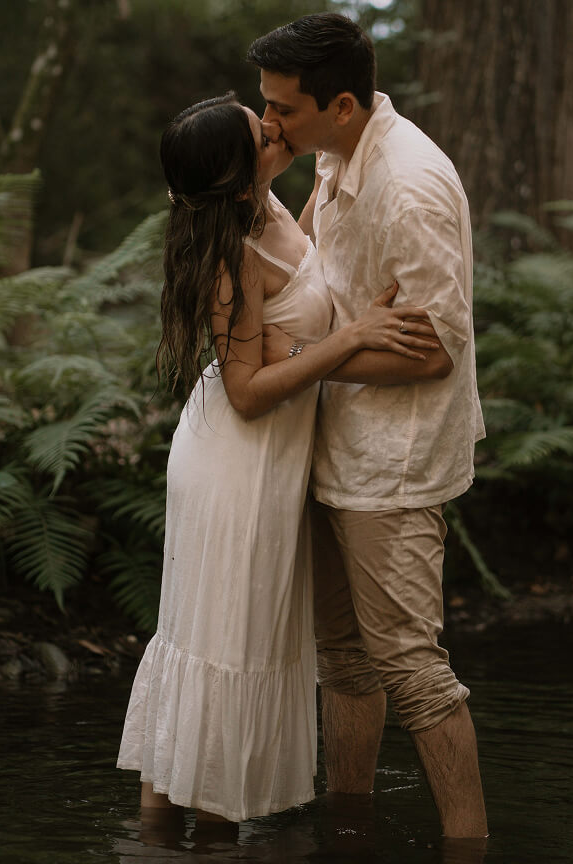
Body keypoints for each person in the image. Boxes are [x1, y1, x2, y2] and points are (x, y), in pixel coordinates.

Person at [116, 92, 439, 824]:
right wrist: (351, 338)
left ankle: (171, 838)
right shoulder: (233, 256)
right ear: (237, 183)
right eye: (260, 135)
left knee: (232, 643)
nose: (273, 128)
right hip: (237, 466)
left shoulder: (271, 209)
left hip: (271, 461)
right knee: (223, 645)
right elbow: (247, 392)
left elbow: (294, 313)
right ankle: (180, 837)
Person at [247, 14, 489, 840]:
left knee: (413, 671)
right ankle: (348, 833)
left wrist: (310, 354)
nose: (269, 123)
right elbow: (306, 258)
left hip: (395, 461)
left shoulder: (409, 187)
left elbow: (437, 353)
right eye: (266, 105)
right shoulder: (333, 148)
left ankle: (469, 847)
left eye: (283, 109)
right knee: (345, 660)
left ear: (342, 104)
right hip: (328, 439)